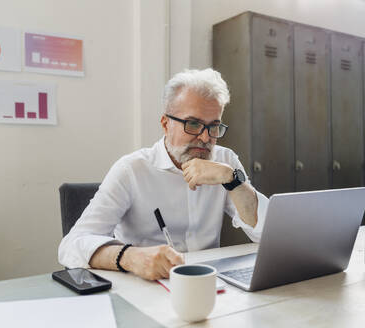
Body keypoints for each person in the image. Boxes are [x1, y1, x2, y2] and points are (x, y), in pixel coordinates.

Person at [58, 68, 269, 280]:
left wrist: (233, 180)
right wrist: (130, 257)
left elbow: (266, 235)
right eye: (193, 124)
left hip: (206, 285)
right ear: (166, 124)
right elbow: (71, 246)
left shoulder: (225, 161)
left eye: (213, 127)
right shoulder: (131, 170)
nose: (205, 138)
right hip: (145, 287)